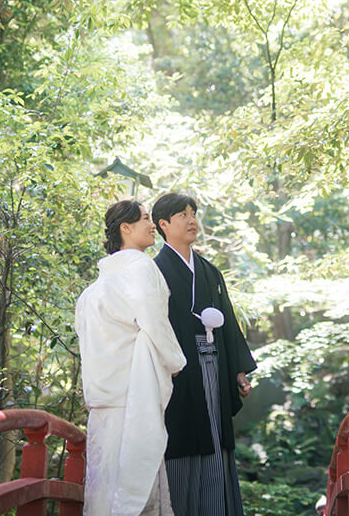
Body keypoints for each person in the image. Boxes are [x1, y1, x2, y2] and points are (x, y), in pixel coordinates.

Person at [76, 200, 187, 516]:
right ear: (125, 228)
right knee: (137, 492)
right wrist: (174, 362)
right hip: (133, 398)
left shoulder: (92, 292)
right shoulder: (140, 267)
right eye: (146, 219)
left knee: (103, 490)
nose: (152, 225)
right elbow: (154, 321)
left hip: (103, 403)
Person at [151, 192, 256, 516]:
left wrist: (238, 370)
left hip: (214, 366)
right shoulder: (155, 272)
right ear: (163, 224)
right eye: (183, 215)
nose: (192, 219)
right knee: (183, 437)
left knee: (214, 436)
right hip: (179, 372)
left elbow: (229, 324)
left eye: (193, 213)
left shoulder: (210, 272)